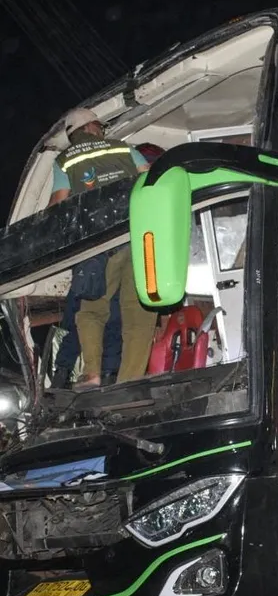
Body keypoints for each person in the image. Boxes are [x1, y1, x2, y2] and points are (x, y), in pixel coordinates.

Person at [48, 108, 158, 389]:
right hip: (137, 236)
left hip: (99, 244)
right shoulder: (126, 149)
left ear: (73, 135)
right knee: (139, 312)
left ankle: (92, 373)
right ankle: (130, 381)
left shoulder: (66, 159)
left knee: (91, 310)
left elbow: (59, 205)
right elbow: (151, 183)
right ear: (94, 127)